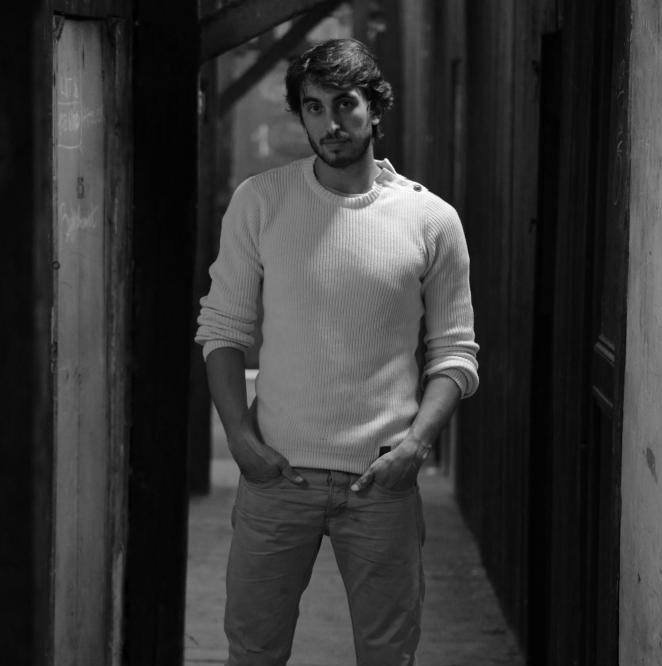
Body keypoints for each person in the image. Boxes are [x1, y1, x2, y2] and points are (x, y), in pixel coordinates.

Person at [195, 38, 479, 666]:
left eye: (345, 103)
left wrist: (415, 447)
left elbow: (455, 353)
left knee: (387, 656)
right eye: (314, 107)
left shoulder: (431, 219)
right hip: (276, 476)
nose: (331, 123)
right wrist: (241, 440)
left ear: (374, 107)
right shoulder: (261, 201)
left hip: (382, 481)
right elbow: (222, 328)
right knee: (253, 651)